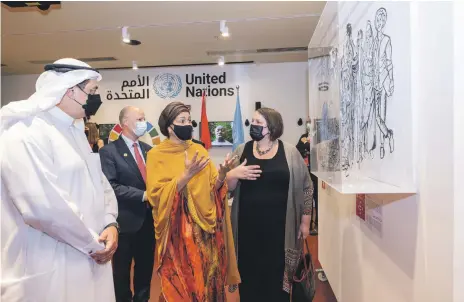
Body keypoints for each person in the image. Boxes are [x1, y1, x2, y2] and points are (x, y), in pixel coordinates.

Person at [0, 58, 119, 302]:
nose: (96, 98)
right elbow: (43, 206)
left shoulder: (75, 130)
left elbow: (100, 184)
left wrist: (110, 223)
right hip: (48, 259)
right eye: (92, 91)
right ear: (70, 90)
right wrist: (91, 244)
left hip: (91, 253)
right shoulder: (25, 131)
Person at [146, 101, 240, 302]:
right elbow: (156, 195)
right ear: (169, 126)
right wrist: (185, 176)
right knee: (185, 285)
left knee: (208, 280)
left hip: (206, 232)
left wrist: (223, 174)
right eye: (182, 120)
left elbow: (213, 187)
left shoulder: (199, 150)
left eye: (189, 120)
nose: (188, 124)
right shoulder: (156, 155)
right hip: (177, 235)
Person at [227, 107, 314, 301]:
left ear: (272, 127)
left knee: (276, 283)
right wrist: (232, 175)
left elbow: (307, 187)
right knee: (249, 279)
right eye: (253, 122)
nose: (254, 126)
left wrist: (305, 222)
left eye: (259, 123)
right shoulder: (242, 150)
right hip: (247, 231)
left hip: (281, 231)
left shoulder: (290, 153)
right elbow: (228, 188)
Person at [99, 106, 155, 302]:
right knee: (121, 273)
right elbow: (110, 186)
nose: (144, 122)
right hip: (124, 223)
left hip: (149, 222)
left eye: (144, 118)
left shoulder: (150, 151)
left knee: (145, 270)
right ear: (125, 123)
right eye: (140, 119)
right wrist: (143, 195)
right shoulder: (109, 152)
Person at [296, 118, 319, 235]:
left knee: (318, 199)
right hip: (306, 172)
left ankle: (317, 225)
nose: (309, 124)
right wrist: (305, 151)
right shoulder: (303, 137)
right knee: (307, 198)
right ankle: (308, 225)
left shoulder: (319, 136)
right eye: (308, 122)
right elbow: (297, 149)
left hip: (318, 173)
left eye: (311, 122)